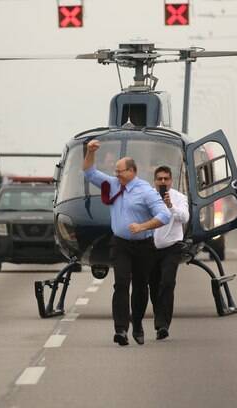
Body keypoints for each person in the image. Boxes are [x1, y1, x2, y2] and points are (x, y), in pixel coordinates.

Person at [82, 139, 170, 346]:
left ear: (132, 171)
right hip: (120, 243)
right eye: (115, 171)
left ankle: (137, 323)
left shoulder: (146, 191)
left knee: (140, 287)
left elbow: (164, 215)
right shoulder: (113, 185)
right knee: (121, 284)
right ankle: (121, 329)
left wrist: (143, 226)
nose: (116, 174)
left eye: (120, 171)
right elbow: (89, 172)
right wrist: (89, 152)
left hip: (143, 246)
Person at [144, 166, 189, 340]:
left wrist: (170, 206)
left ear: (171, 180)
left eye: (166, 179)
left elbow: (185, 217)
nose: (163, 182)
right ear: (154, 181)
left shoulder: (179, 198)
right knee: (154, 286)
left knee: (167, 282)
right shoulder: (148, 197)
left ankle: (163, 325)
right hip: (151, 247)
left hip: (172, 246)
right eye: (159, 179)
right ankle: (159, 315)